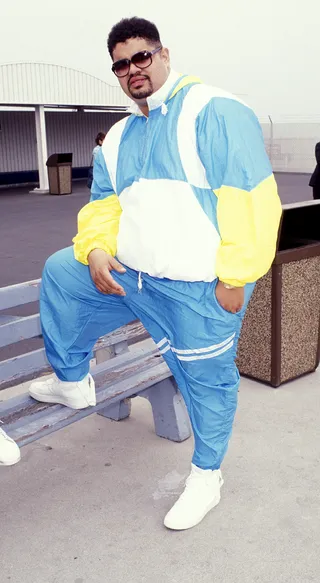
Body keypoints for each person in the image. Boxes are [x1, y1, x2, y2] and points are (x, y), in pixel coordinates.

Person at [29, 17, 282, 530]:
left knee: (207, 382)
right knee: (63, 271)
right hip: (135, 278)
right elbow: (104, 204)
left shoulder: (214, 110)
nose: (132, 70)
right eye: (121, 64)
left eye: (141, 57)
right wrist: (97, 249)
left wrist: (235, 277)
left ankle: (207, 477)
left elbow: (252, 201)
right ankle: (73, 380)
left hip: (196, 287)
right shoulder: (118, 136)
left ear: (164, 54)